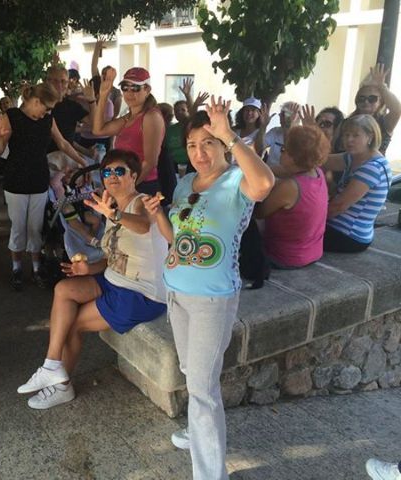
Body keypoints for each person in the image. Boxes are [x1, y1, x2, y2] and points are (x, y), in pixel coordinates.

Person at [143, 97, 274, 480]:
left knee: (201, 388)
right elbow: (176, 238)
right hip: (176, 290)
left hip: (212, 298)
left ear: (221, 144)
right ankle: (198, 429)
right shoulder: (185, 183)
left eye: (208, 143)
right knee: (192, 372)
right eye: (191, 145)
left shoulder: (238, 180)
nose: (199, 153)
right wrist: (157, 217)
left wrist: (230, 135)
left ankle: (210, 473)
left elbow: (265, 184)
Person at [17, 149, 167, 409]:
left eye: (119, 171)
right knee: (64, 289)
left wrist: (113, 215)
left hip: (140, 293)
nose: (112, 176)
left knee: (72, 324)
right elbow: (112, 258)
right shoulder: (113, 208)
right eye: (107, 172)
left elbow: (143, 225)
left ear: (133, 176)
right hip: (114, 280)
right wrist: (89, 269)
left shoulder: (140, 202)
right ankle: (52, 365)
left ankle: (61, 386)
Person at [0, 82, 87, 290]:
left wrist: (82, 161)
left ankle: (35, 267)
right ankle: (16, 267)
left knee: (36, 227)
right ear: (34, 101)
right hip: (16, 180)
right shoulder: (12, 116)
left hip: (39, 179)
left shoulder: (47, 120)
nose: (47, 113)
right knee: (18, 228)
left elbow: (63, 143)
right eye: (46, 108)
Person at [254, 125, 330, 268]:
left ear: (294, 157)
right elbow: (281, 170)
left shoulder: (290, 187)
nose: (280, 153)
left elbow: (259, 213)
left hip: (284, 257)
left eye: (283, 150)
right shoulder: (317, 172)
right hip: (313, 253)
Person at [93, 67, 165, 197]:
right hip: (126, 183)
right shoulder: (128, 118)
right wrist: (103, 95)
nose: (129, 92)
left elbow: (150, 162)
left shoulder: (151, 116)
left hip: (142, 186)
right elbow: (98, 130)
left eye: (135, 88)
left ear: (147, 90)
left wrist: (126, 190)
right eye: (125, 87)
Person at [323, 114, 391, 253]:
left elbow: (338, 206)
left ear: (370, 137)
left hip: (349, 235)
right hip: (340, 227)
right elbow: (319, 160)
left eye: (355, 135)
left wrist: (310, 218)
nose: (349, 140)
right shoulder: (354, 157)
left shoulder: (372, 167)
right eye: (346, 135)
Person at [351, 63, 401, 155]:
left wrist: (382, 86)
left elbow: (397, 110)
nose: (366, 102)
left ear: (380, 103)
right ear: (357, 101)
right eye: (362, 98)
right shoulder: (348, 121)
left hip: (374, 167)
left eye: (372, 99)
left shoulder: (384, 122)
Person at [256, 101, 300, 166]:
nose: (279, 115)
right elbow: (258, 148)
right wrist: (263, 126)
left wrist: (288, 127)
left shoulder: (302, 136)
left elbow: (291, 161)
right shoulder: (275, 131)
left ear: (295, 117)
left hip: (287, 175)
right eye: (280, 113)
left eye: (283, 113)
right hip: (269, 173)